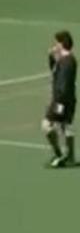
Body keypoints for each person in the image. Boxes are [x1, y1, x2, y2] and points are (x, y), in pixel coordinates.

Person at [44, 30, 76, 168]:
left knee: (47, 125)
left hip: (61, 100)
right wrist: (51, 57)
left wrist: (58, 103)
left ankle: (59, 154)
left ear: (62, 43)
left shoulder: (66, 62)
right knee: (65, 126)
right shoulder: (65, 60)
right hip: (67, 100)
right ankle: (70, 157)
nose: (55, 45)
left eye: (57, 42)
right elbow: (53, 70)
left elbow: (63, 83)